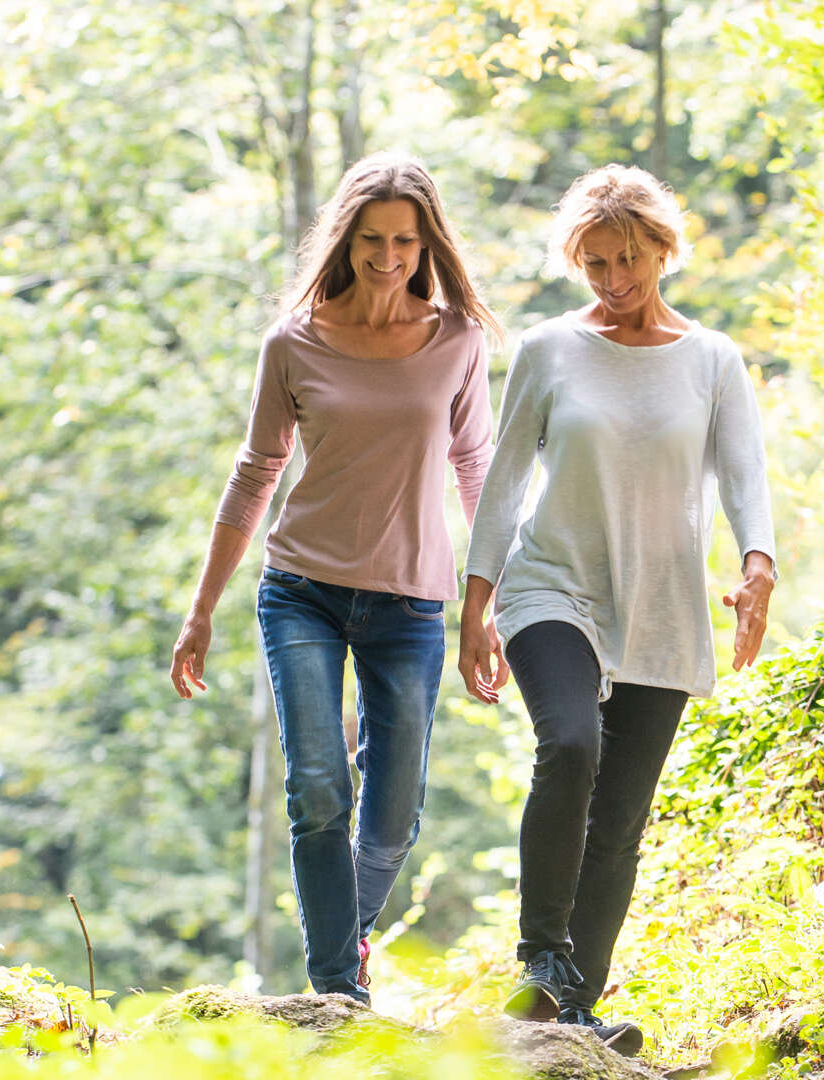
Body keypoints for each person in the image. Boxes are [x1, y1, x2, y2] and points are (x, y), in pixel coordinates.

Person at [457, 164, 776, 1054]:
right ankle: (541, 956)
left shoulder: (711, 360)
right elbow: (505, 477)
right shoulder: (551, 349)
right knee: (569, 743)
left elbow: (746, 475)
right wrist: (476, 602)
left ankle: (574, 1008)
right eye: (594, 263)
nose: (613, 279)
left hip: (663, 604)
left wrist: (759, 566)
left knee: (622, 818)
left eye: (628, 258)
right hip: (550, 584)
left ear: (663, 249)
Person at [169, 152, 500, 1004]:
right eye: (370, 239)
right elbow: (255, 474)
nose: (387, 256)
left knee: (394, 813)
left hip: (412, 601)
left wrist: (484, 607)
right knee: (318, 789)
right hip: (302, 591)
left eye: (403, 240)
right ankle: (334, 994)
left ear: (427, 243)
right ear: (345, 240)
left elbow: (477, 471)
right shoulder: (294, 340)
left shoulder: (457, 340)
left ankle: (339, 950)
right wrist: (200, 611)